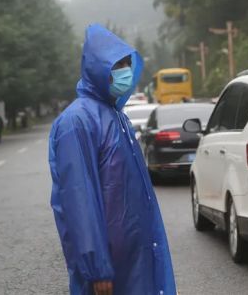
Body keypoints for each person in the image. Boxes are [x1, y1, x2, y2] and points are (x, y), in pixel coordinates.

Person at [49, 24, 176, 295]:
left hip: (134, 259)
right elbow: (79, 198)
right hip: (107, 270)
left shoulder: (116, 116)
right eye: (118, 65)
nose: (125, 72)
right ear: (98, 68)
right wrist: (97, 267)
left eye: (127, 64)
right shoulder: (77, 122)